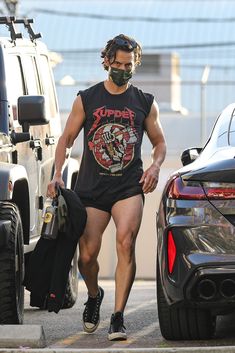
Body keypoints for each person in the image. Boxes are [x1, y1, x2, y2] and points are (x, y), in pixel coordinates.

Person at [47, 34, 166, 341]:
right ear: (107, 62)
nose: (124, 70)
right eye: (119, 64)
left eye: (130, 65)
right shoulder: (87, 98)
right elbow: (66, 139)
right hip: (91, 187)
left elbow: (160, 143)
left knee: (125, 242)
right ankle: (94, 293)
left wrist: (154, 166)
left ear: (134, 65)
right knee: (87, 255)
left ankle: (117, 317)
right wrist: (57, 173)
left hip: (128, 186)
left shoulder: (145, 102)